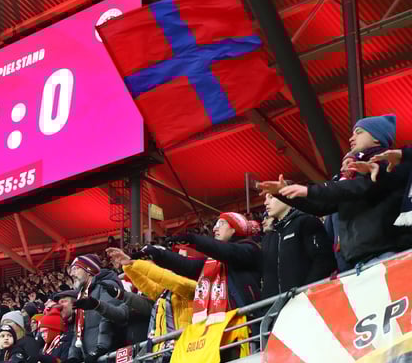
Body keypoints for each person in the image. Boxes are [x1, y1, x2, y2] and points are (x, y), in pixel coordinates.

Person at [260, 114, 412, 266]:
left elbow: (357, 187)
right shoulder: (349, 172)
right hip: (359, 258)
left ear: (377, 137)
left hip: (385, 253)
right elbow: (322, 206)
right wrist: (282, 193)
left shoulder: (386, 162)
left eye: (359, 132)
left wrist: (309, 190)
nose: (351, 138)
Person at [145, 213, 262, 324]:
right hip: (219, 331)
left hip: (246, 325)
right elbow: (187, 265)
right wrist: (158, 254)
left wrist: (194, 239)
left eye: (221, 224)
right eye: (215, 225)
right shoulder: (212, 262)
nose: (215, 229)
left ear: (235, 229)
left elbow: (229, 252)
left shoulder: (250, 249)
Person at [61, 254, 128, 363]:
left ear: (89, 270)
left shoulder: (106, 286)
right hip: (89, 360)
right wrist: (73, 357)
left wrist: (100, 349)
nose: (71, 274)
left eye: (76, 269)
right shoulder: (82, 294)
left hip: (107, 358)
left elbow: (107, 319)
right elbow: (78, 330)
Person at [261, 192, 336, 297]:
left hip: (306, 302)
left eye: (271, 197)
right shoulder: (269, 237)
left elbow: (323, 261)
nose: (265, 203)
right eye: (265, 199)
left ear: (288, 197)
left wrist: (304, 293)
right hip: (276, 307)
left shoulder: (306, 222)